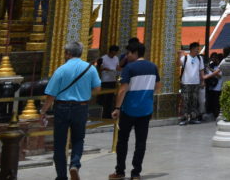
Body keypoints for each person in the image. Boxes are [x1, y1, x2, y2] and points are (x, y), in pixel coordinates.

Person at [39, 41, 101, 180]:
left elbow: (51, 95)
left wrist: (43, 111)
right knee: (78, 139)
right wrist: (84, 93)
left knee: (60, 142)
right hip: (81, 107)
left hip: (62, 107)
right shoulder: (90, 68)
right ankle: (75, 164)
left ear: (68, 53)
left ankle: (61, 176)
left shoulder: (61, 70)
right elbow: (97, 89)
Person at [108, 41, 160, 180]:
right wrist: (146, 95)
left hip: (129, 109)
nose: (127, 56)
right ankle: (136, 173)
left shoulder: (129, 68)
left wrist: (117, 108)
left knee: (122, 141)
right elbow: (158, 86)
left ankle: (120, 172)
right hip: (146, 109)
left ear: (135, 53)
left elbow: (123, 89)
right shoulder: (153, 67)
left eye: (128, 53)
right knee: (141, 142)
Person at [177, 42, 205, 125]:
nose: (198, 51)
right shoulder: (185, 58)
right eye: (196, 50)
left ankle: (193, 117)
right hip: (186, 83)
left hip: (195, 83)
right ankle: (184, 118)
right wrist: (179, 55)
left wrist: (202, 81)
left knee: (194, 101)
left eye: (198, 50)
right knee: (185, 101)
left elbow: (201, 70)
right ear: (192, 49)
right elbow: (178, 64)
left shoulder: (199, 59)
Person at [204, 52, 223, 120]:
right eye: (213, 58)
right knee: (211, 101)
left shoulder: (220, 66)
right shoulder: (211, 65)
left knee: (217, 102)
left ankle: (217, 114)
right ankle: (211, 113)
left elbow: (219, 75)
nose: (214, 59)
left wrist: (211, 70)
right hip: (211, 87)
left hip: (218, 87)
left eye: (215, 58)